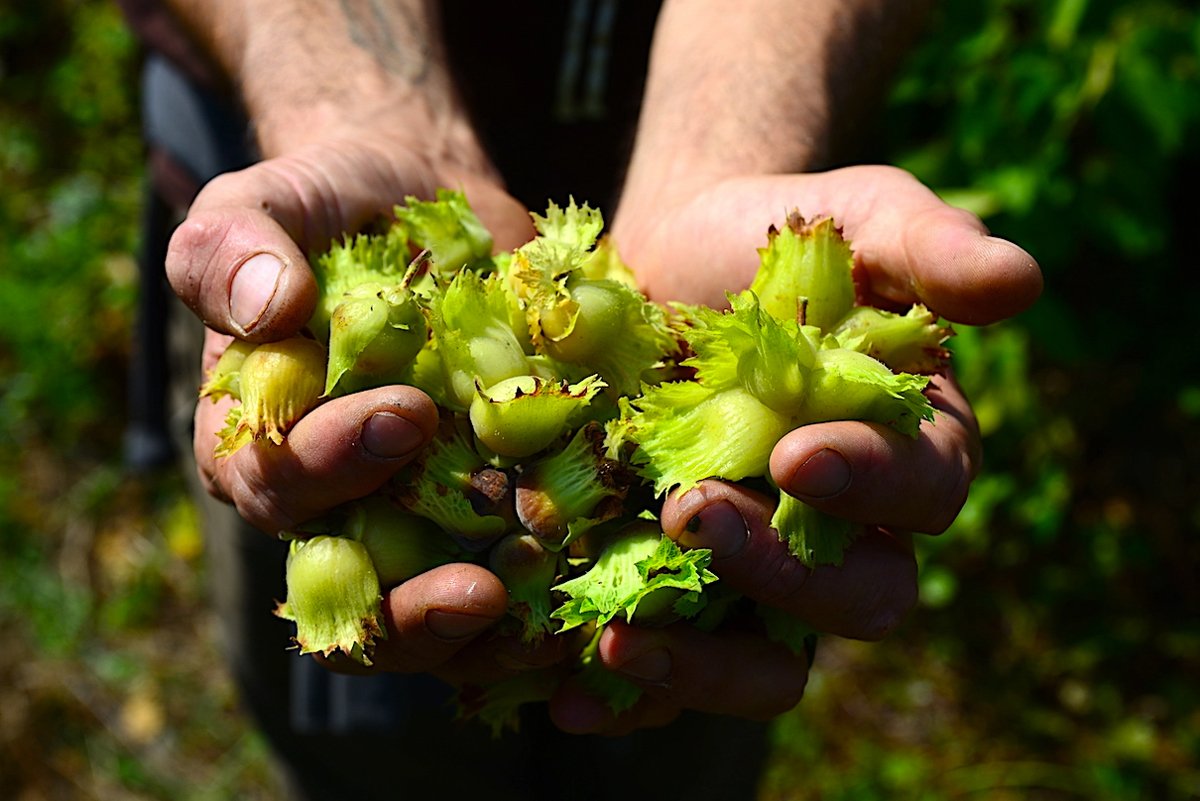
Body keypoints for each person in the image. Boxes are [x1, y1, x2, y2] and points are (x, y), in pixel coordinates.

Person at [122, 1, 1043, 798]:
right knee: (374, 742)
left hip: (734, 162)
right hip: (278, 119)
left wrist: (732, 143)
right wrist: (351, 109)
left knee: (677, 710)